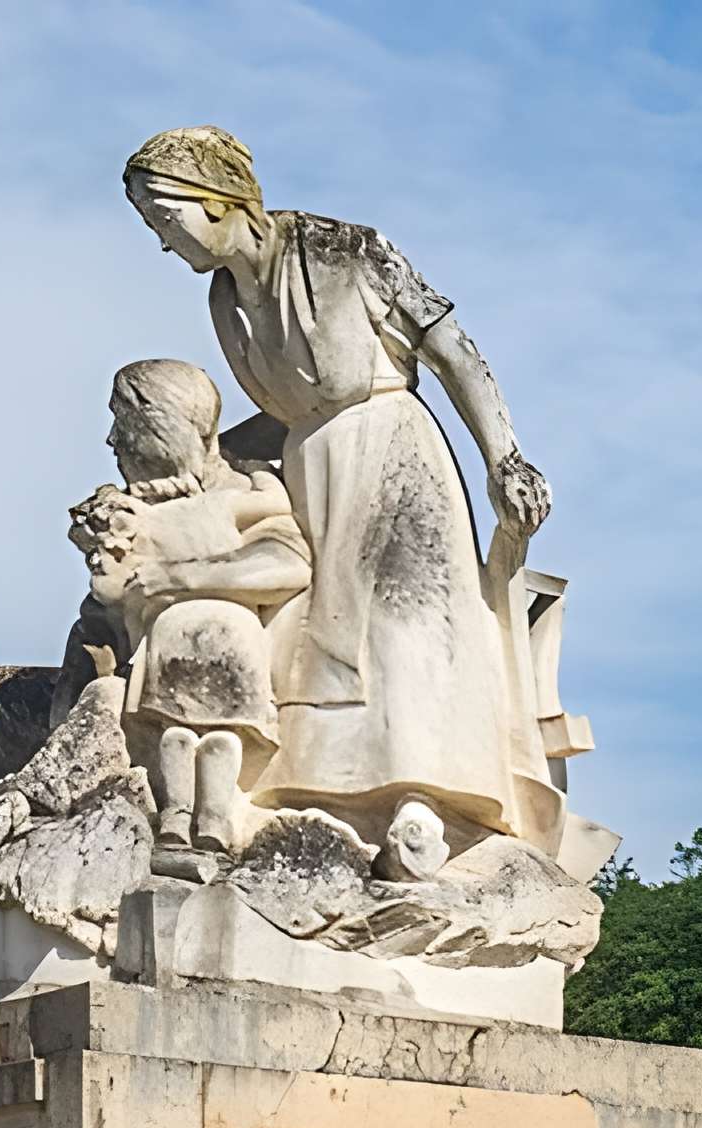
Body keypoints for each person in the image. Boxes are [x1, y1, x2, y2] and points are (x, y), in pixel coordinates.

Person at [122, 125, 567, 859]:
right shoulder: (225, 299)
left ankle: (422, 799)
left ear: (214, 200)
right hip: (308, 464)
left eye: (163, 220)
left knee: (407, 628)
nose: (165, 243)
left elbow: (450, 350)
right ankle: (331, 799)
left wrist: (505, 458)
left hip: (393, 450)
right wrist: (197, 473)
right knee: (318, 633)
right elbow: (281, 411)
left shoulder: (344, 252)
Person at [69, 359, 310, 858]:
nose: (111, 441)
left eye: (122, 422)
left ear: (161, 425)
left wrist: (176, 579)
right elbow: (104, 617)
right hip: (120, 670)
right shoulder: (128, 509)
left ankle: (202, 814)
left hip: (211, 653)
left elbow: (285, 562)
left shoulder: (243, 491)